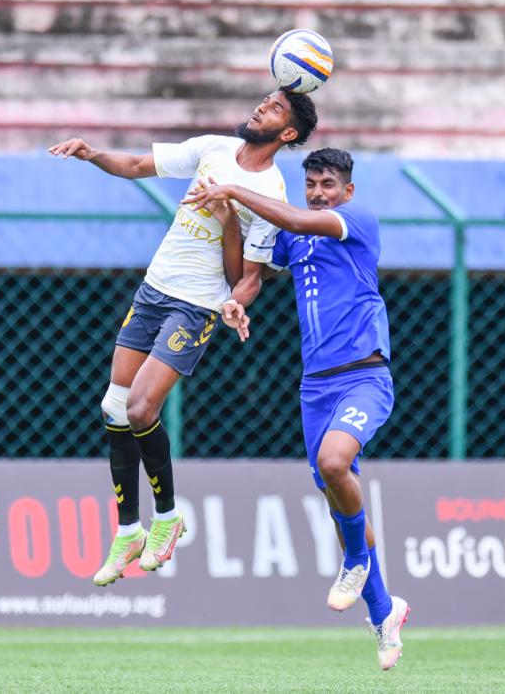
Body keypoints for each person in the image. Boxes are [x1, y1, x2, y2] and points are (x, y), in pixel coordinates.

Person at [48, 89, 318, 586]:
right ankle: (129, 528)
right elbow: (135, 164)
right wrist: (93, 155)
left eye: (275, 108)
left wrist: (228, 222)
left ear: (288, 134)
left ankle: (168, 517)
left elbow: (246, 276)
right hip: (154, 289)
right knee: (113, 406)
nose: (261, 106)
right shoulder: (212, 148)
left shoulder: (271, 194)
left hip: (195, 306)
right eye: (264, 100)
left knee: (141, 409)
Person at [182, 148, 410, 671]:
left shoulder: (355, 221)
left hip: (364, 376)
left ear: (346, 191)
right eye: (310, 183)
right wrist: (229, 234)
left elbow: (295, 217)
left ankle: (354, 562)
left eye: (327, 183)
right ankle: (384, 613)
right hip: (315, 388)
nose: (317, 192)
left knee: (334, 465)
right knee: (339, 502)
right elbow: (248, 270)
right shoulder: (296, 235)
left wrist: (237, 191)